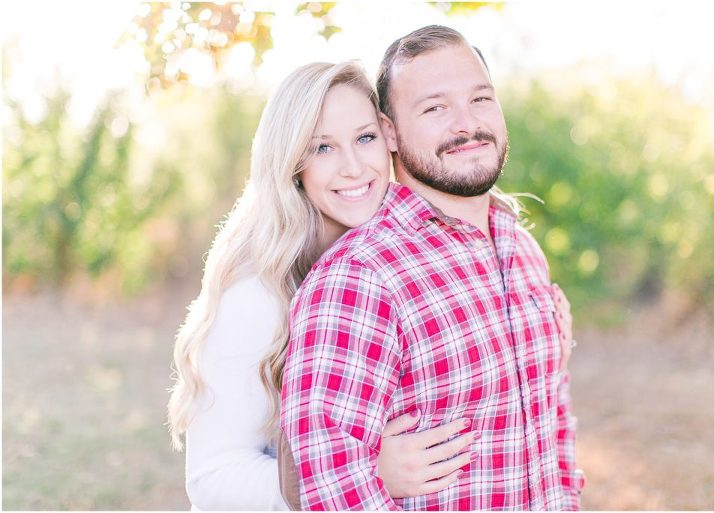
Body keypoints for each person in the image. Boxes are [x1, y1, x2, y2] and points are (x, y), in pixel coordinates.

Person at [166, 60, 577, 510]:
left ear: (389, 137)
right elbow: (212, 478)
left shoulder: (405, 258)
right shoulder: (256, 294)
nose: (353, 167)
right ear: (292, 164)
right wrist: (361, 472)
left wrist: (533, 338)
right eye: (323, 148)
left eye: (365, 139)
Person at [280, 26, 585, 511]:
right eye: (435, 108)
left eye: (480, 99)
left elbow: (553, 416)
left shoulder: (522, 250)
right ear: (389, 132)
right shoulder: (360, 276)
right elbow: (336, 486)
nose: (467, 124)